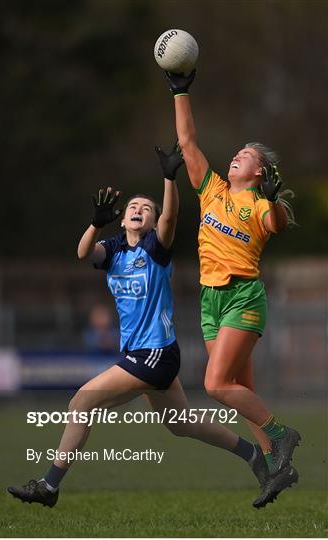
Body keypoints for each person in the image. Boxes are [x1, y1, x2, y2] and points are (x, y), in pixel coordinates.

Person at [8, 144, 290, 510]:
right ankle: (255, 456)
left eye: (147, 209)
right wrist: (95, 223)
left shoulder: (156, 249)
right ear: (122, 220)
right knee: (182, 424)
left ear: (154, 222)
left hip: (155, 353)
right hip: (139, 353)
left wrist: (168, 179)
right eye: (132, 209)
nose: (139, 211)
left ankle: (50, 484)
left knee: (82, 400)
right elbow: (82, 254)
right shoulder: (113, 251)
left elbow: (170, 218)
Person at [162, 69, 300, 508]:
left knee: (216, 384)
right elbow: (187, 143)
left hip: (243, 296)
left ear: (260, 173)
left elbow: (275, 225)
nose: (238, 155)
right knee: (242, 390)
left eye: (247, 155)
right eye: (239, 151)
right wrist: (180, 91)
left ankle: (283, 436)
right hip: (210, 299)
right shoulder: (213, 190)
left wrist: (275, 201)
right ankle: (277, 469)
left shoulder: (258, 204)